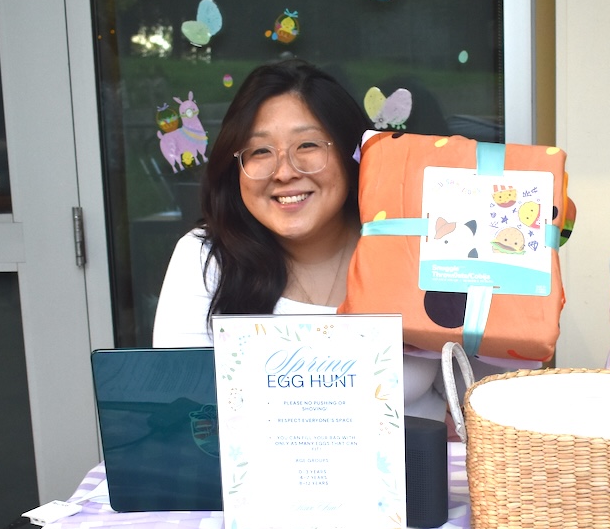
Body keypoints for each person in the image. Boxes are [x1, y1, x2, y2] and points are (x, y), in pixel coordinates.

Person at [152, 58, 509, 420]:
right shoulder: (205, 257)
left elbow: (491, 405)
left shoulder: (416, 244)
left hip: (416, 471)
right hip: (266, 477)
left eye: (307, 145)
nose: (285, 172)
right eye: (260, 151)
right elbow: (184, 409)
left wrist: (499, 278)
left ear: (351, 154)